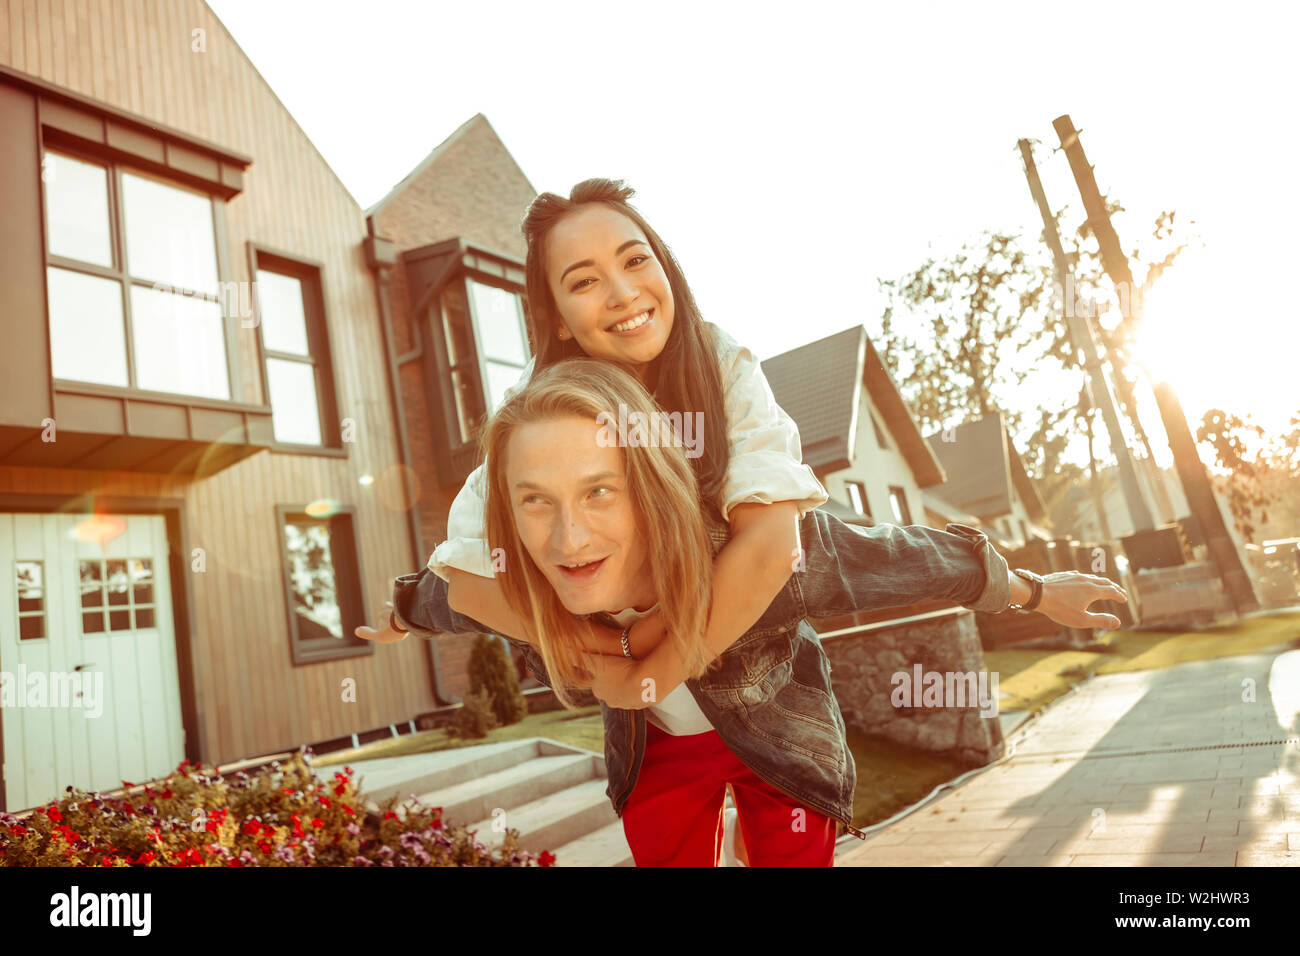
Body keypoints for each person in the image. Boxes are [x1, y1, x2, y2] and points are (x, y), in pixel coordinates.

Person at [359, 358, 1129, 866]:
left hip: (779, 734)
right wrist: (400, 611)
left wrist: (1031, 591)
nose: (568, 536)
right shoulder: (524, 580)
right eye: (537, 503)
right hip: (659, 757)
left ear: (651, 487)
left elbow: (904, 556)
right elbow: (444, 594)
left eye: (599, 491)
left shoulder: (761, 552)